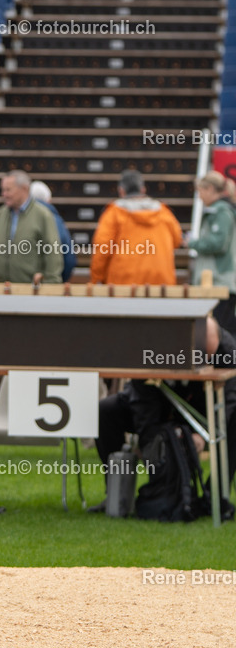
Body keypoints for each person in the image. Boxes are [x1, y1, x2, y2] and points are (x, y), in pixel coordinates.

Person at [92, 315, 236, 512]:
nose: (205, 362)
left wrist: (203, 433)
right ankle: (117, 495)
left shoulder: (229, 351)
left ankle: (214, 498)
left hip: (200, 412)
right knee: (106, 411)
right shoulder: (155, 345)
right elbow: (143, 402)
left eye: (209, 357)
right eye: (200, 356)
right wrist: (151, 445)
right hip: (155, 403)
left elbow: (229, 403)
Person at [89, 169, 181, 287]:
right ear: (143, 190)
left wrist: (96, 278)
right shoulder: (164, 213)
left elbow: (102, 247)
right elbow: (177, 241)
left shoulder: (113, 214)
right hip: (161, 281)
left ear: (121, 191)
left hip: (123, 282)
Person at [0, 169, 63, 284]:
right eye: (3, 190)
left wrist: (51, 282)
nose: (4, 194)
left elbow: (53, 251)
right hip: (1, 287)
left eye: (8, 190)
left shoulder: (43, 215)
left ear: (24, 189)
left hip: (31, 290)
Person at [188, 171, 236, 336]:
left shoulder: (220, 212)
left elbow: (218, 243)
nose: (199, 196)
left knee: (220, 334)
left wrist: (192, 243)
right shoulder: (220, 211)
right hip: (219, 283)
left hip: (219, 281)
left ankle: (225, 362)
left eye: (200, 191)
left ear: (209, 189)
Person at [30, 181, 76, 282]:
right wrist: (59, 280)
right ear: (49, 200)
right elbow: (68, 259)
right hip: (47, 285)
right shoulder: (55, 219)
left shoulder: (13, 216)